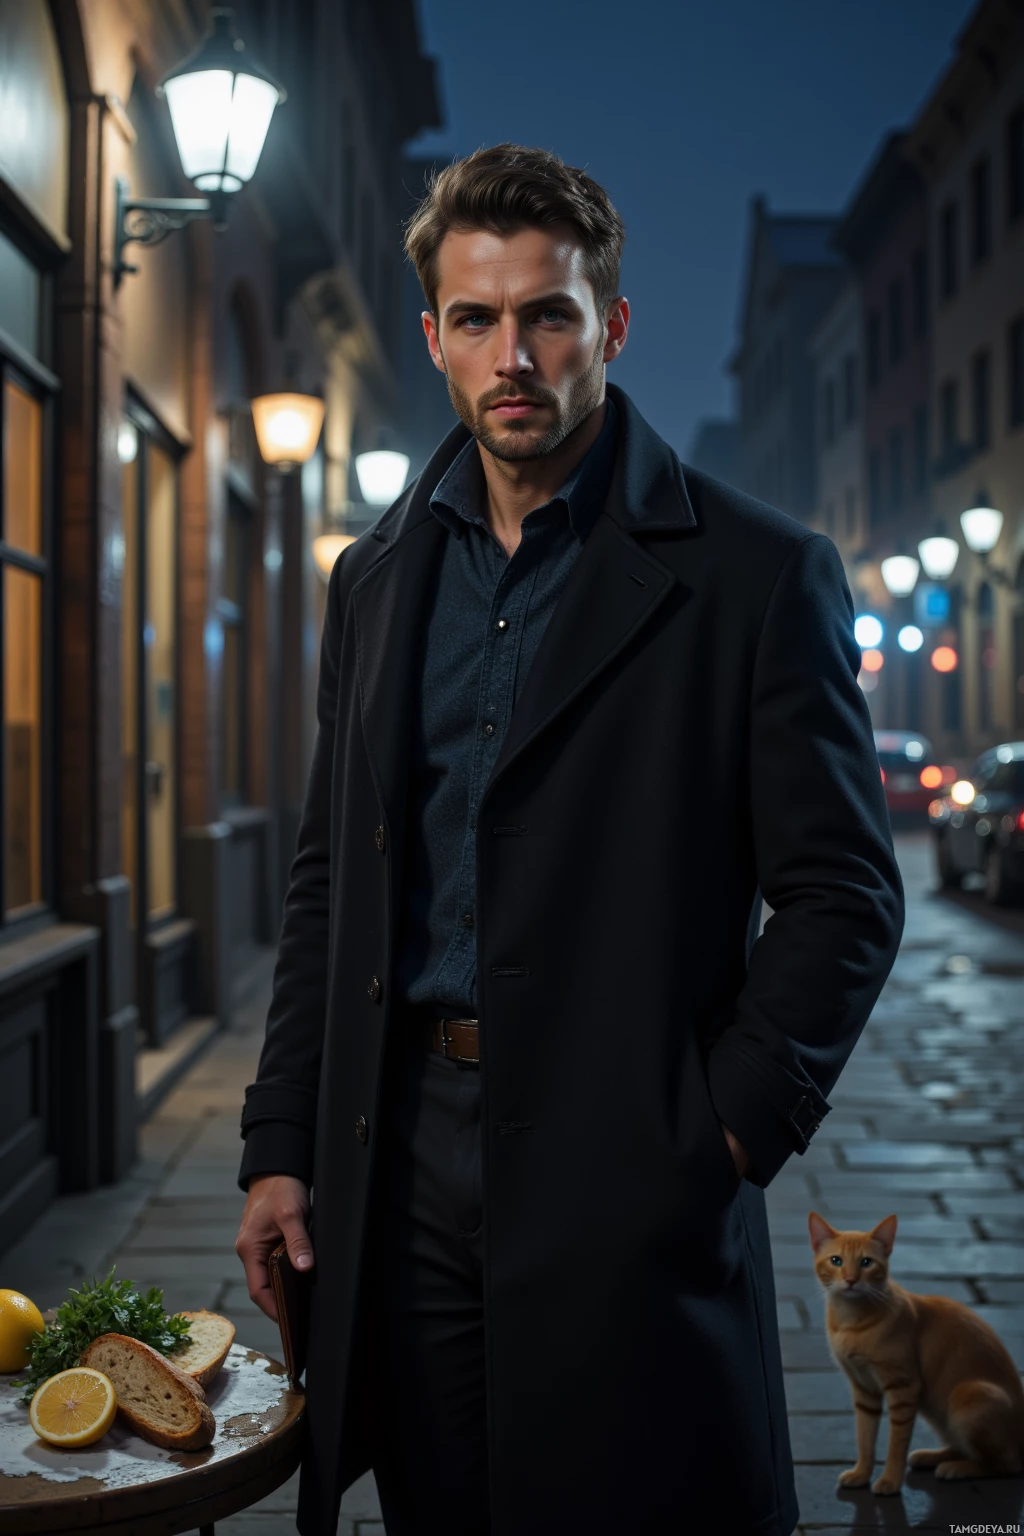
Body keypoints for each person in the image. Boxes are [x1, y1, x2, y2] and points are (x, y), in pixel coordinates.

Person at [234, 143, 904, 1536]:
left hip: (629, 1152)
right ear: (432, 339)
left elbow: (844, 894)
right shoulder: (374, 582)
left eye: (549, 313)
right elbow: (327, 884)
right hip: (404, 1156)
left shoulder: (756, 573)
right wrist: (281, 1139)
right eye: (476, 320)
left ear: (610, 324)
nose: (513, 354)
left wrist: (714, 1134)